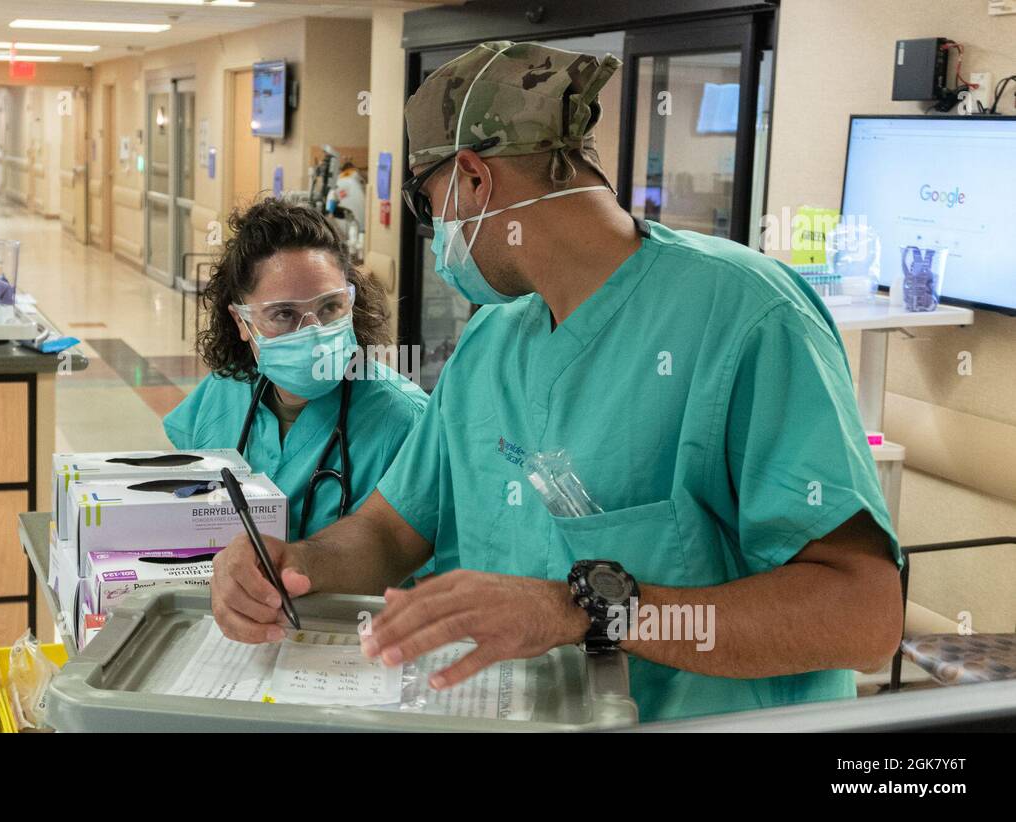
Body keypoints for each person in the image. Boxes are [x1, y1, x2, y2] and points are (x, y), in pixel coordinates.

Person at [208, 42, 904, 722]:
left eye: (430, 205)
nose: (437, 234)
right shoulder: (492, 341)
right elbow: (390, 532)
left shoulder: (745, 317)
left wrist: (582, 609)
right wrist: (293, 562)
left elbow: (862, 614)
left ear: (475, 179)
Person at [165, 198, 428, 541]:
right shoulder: (224, 389)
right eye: (284, 314)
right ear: (241, 321)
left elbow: (419, 565)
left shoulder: (404, 419)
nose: (313, 332)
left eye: (330, 306)